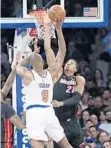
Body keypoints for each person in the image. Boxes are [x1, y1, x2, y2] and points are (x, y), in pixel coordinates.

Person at [15, 17, 73, 148]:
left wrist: (30, 55)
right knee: (65, 144)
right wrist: (57, 29)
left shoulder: (28, 75)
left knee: (62, 144)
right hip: (47, 111)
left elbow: (18, 67)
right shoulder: (50, 73)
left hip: (35, 113)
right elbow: (61, 51)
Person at [44, 16, 85, 148]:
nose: (68, 64)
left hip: (73, 122)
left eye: (71, 64)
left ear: (76, 69)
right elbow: (57, 50)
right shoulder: (57, 74)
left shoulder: (78, 79)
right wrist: (51, 28)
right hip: (57, 123)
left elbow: (76, 99)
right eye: (67, 62)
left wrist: (61, 103)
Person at [1, 53, 25, 148]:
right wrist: (25, 116)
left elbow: (7, 85)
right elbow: (21, 126)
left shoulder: (5, 108)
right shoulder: (5, 108)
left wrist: (15, 68)